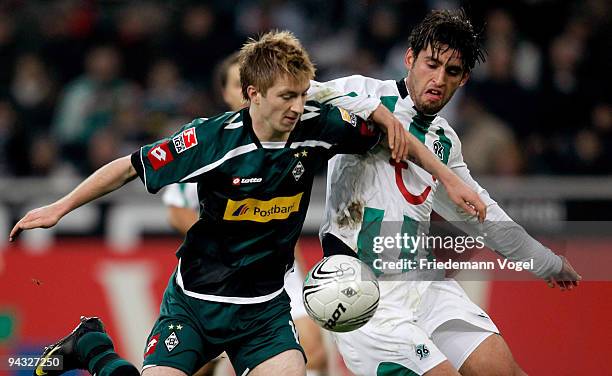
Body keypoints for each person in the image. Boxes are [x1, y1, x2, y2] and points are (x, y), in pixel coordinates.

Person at [11, 30, 484, 376]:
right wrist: (61, 207)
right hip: (195, 305)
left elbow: (387, 127)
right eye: (286, 97)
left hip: (263, 311)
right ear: (253, 94)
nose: (297, 107)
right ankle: (91, 345)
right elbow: (128, 166)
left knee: (302, 367)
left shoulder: (316, 127)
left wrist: (442, 172)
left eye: (302, 95)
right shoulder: (211, 139)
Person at [314, 9, 581, 376]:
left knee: (503, 370)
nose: (438, 79)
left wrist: (544, 261)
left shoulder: (444, 141)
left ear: (464, 79)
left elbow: (480, 213)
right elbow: (300, 92)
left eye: (451, 72)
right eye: (431, 64)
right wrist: (372, 111)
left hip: (425, 286)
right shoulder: (362, 92)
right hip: (367, 296)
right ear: (410, 58)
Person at [162, 52, 328, 376]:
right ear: (226, 93)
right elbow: (176, 210)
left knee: (315, 354)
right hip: (216, 278)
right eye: (238, 85)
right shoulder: (211, 142)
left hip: (276, 277)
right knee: (199, 368)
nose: (247, 90)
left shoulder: (293, 135)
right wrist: (230, 243)